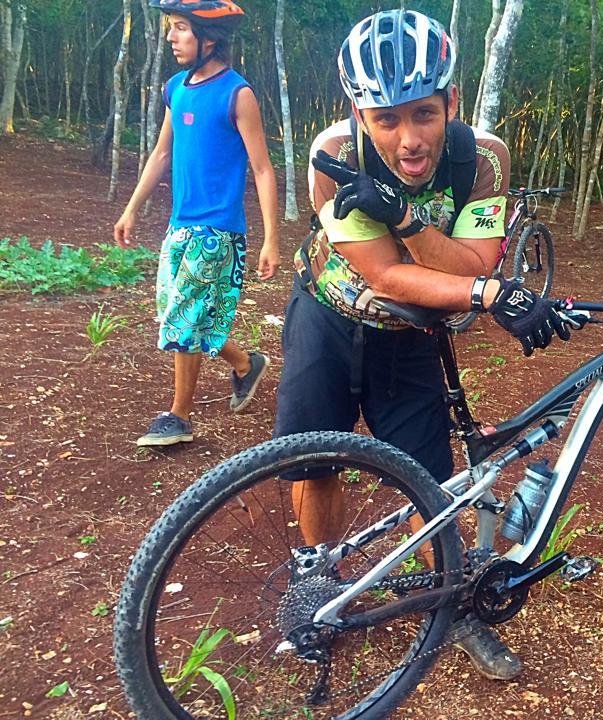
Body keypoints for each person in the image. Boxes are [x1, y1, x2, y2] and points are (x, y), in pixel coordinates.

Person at [273, 9, 574, 682]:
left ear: (451, 103)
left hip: (412, 335)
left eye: (423, 115)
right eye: (386, 119)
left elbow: (470, 263)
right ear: (359, 114)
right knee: (315, 463)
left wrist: (404, 215)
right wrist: (490, 295)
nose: (408, 139)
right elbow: (382, 273)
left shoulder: (483, 159)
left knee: (430, 483)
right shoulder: (335, 155)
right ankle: (321, 586)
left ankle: (451, 605)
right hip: (327, 315)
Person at [114, 0, 279, 447]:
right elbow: (162, 153)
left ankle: (179, 417)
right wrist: (132, 209)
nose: (172, 37)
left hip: (219, 229)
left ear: (210, 38)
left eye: (181, 28)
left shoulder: (237, 94)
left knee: (184, 319)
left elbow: (262, 168)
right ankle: (246, 364)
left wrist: (270, 239)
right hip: (180, 225)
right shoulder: (176, 88)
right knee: (183, 316)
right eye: (172, 28)